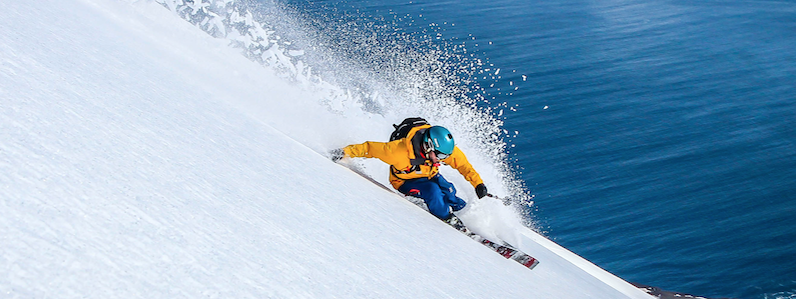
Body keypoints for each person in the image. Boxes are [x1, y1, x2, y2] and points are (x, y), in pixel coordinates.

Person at [330, 123, 491, 228]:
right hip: (405, 180)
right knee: (432, 190)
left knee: (448, 190)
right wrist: (344, 152)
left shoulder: (444, 151)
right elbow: (369, 148)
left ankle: (462, 212)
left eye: (444, 157)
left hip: (429, 174)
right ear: (428, 147)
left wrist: (478, 184)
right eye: (440, 157)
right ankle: (446, 217)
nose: (443, 160)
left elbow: (464, 165)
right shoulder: (398, 152)